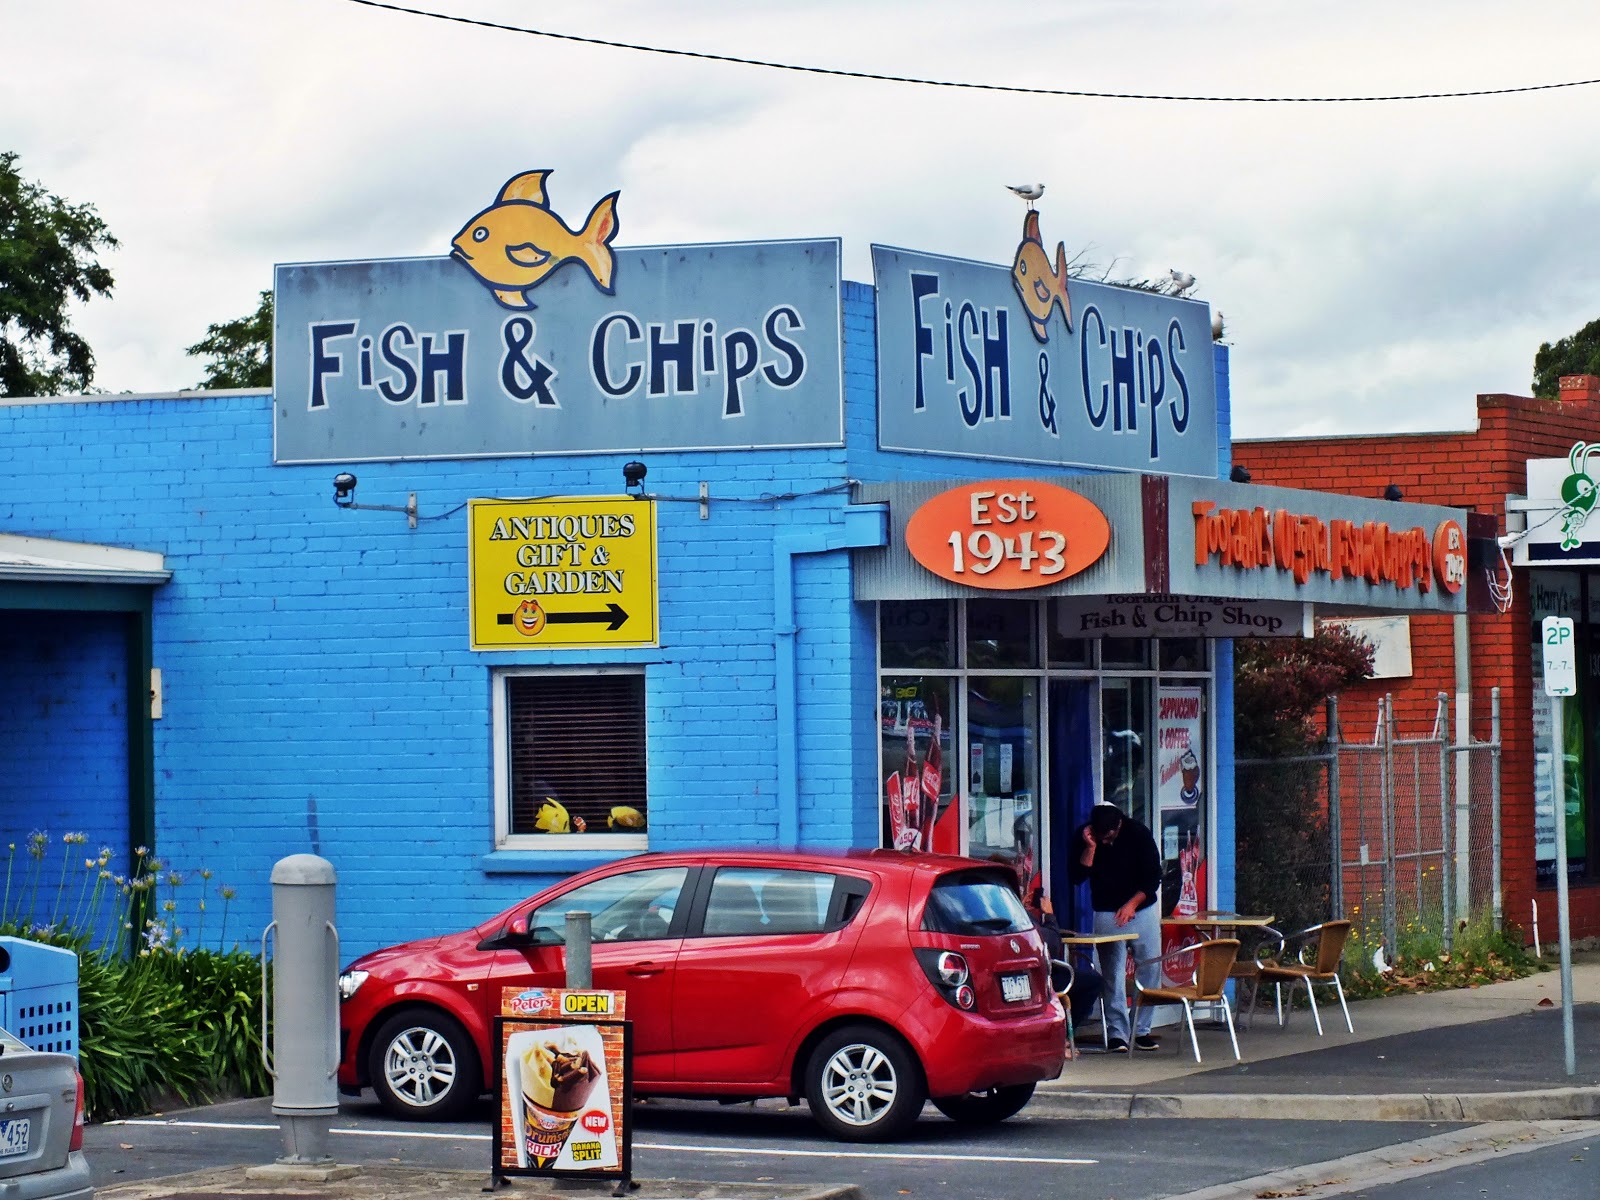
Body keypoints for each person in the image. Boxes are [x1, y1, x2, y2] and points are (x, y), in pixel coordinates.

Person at [1065, 803, 1164, 1052]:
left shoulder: (1138, 833)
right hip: (1107, 909)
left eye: (1109, 836)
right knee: (1112, 973)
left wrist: (1132, 904)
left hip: (1140, 908)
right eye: (1101, 837)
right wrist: (1090, 848)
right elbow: (1076, 876)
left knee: (1150, 967)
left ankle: (1141, 1030)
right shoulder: (1087, 836)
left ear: (1118, 824)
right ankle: (1117, 1033)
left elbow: (1153, 876)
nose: (1106, 842)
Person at [1025, 886, 1105, 1031]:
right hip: (1039, 978)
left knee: (1085, 978)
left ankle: (1063, 1035)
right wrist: (1049, 915)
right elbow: (1051, 944)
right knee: (1092, 981)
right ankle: (1064, 1036)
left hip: (1030, 976)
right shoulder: (1014, 913)